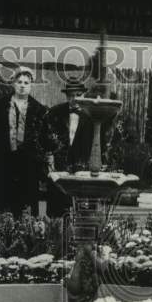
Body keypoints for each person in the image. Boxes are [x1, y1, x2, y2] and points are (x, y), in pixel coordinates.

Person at [0, 66, 47, 218]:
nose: (22, 86)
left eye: (26, 83)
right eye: (19, 82)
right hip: (4, 158)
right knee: (2, 196)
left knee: (26, 198)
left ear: (31, 85)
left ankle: (27, 232)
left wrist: (42, 161)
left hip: (28, 162)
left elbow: (42, 139)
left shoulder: (38, 109)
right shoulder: (0, 105)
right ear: (13, 83)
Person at [41, 79, 94, 219]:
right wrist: (49, 155)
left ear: (84, 95)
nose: (74, 98)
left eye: (78, 94)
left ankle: (81, 235)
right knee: (57, 206)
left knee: (82, 206)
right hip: (59, 164)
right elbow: (44, 136)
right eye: (71, 95)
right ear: (66, 96)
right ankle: (56, 234)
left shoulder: (92, 116)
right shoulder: (54, 113)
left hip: (82, 165)